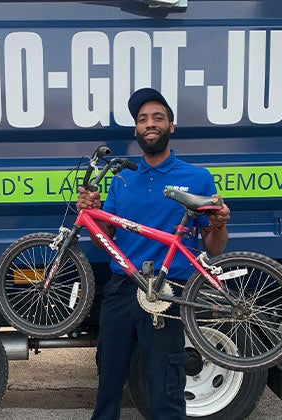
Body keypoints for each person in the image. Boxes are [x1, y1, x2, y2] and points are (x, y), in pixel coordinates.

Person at [77, 88, 231, 419]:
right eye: (143, 119)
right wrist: (92, 214)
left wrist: (218, 224)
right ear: (136, 130)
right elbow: (107, 239)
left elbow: (214, 247)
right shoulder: (122, 178)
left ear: (171, 126)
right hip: (121, 288)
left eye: (158, 118)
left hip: (168, 291)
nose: (150, 124)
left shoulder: (197, 177)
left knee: (166, 389)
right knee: (108, 384)